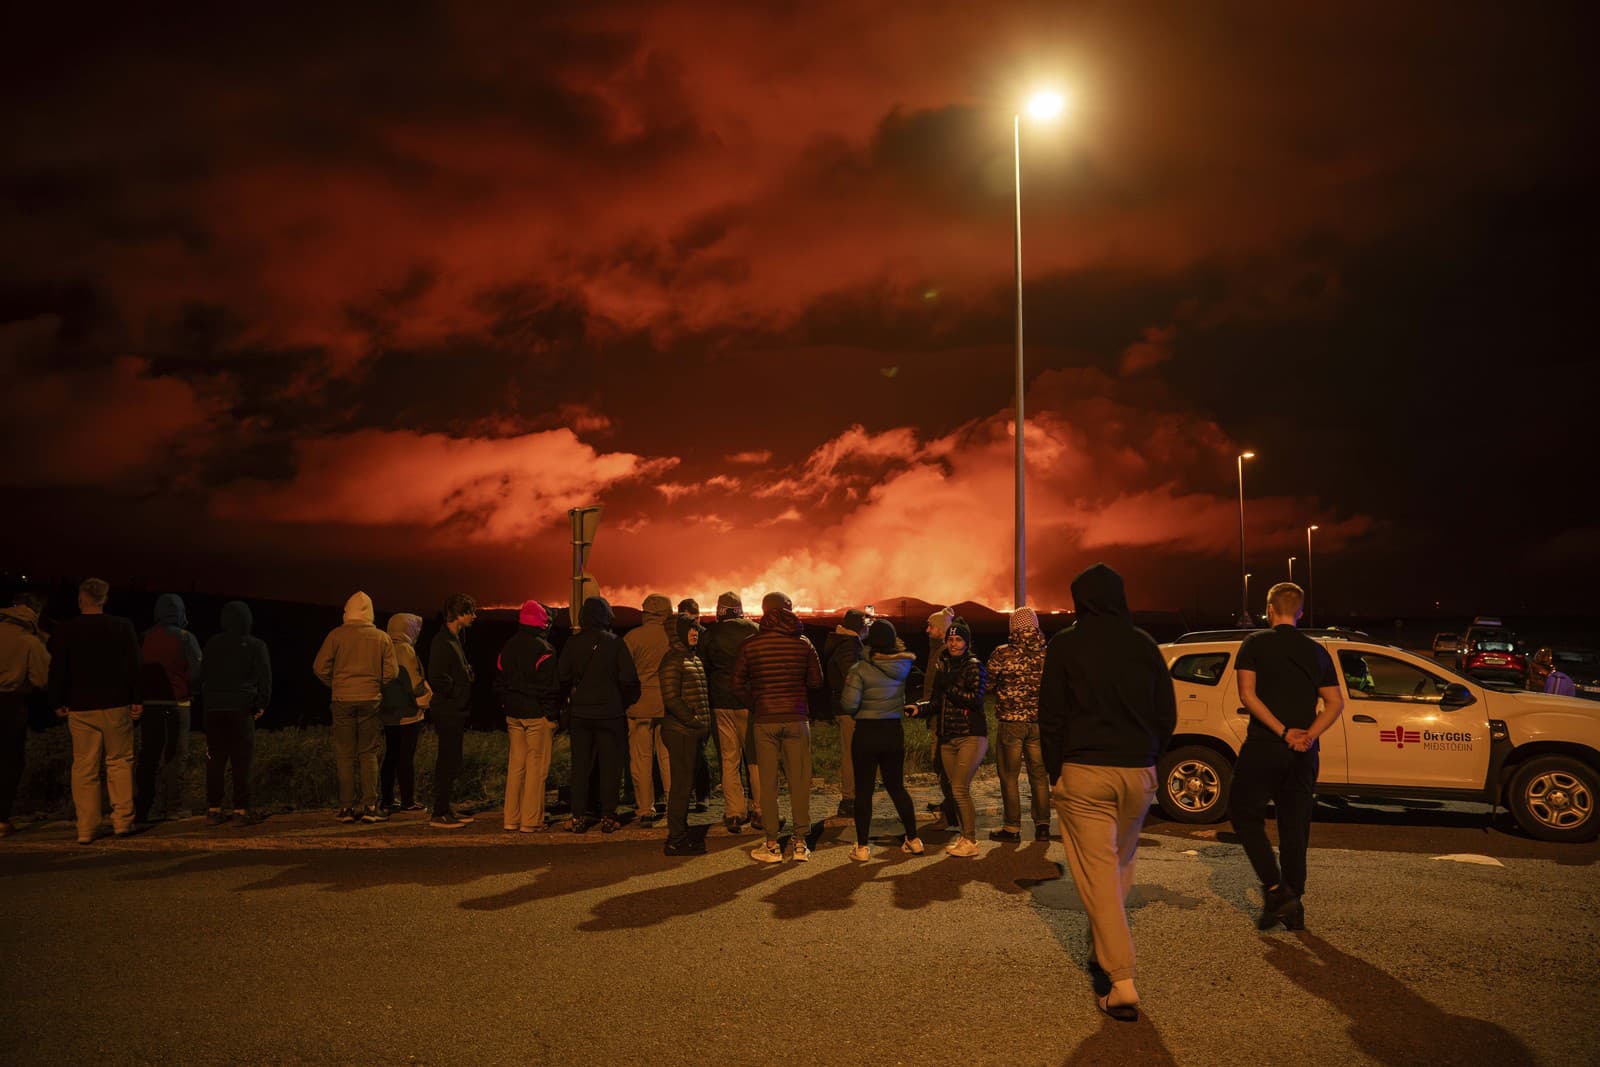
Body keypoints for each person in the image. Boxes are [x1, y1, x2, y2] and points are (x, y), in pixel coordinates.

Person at [1039, 563, 1177, 1022]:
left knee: (1098, 873)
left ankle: (1120, 978)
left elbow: (1052, 716)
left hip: (1085, 773)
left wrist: (1057, 771)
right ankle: (1105, 948)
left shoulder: (1066, 645)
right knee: (1120, 862)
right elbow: (1166, 714)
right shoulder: (1144, 645)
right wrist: (1150, 757)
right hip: (1137, 773)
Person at [1229, 581, 1345, 933]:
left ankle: (1277, 889)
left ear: (1268, 609)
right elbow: (1336, 702)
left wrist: (1282, 731)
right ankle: (1292, 902)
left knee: (1242, 813)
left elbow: (1248, 695)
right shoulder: (1316, 651)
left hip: (1264, 747)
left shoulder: (1254, 644)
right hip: (1304, 754)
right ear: (1300, 612)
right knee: (1295, 828)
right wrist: (1308, 734)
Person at [48, 578, 141, 844]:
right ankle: (123, 821)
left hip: (80, 706)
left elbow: (59, 668)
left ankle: (86, 828)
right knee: (120, 761)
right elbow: (134, 664)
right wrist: (137, 698)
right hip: (116, 703)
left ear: (81, 599)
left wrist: (57, 700)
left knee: (84, 767)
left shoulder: (67, 630)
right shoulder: (123, 626)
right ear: (104, 599)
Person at [734, 591, 823, 863]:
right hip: (797, 719)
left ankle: (771, 844)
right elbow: (816, 681)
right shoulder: (803, 643)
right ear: (788, 609)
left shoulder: (750, 645)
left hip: (765, 722)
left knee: (768, 786)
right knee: (799, 783)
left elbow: (736, 685)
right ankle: (799, 844)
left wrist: (757, 701)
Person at [838, 619, 923, 859]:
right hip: (893, 731)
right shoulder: (902, 667)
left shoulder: (859, 669)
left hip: (866, 732)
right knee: (896, 787)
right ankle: (914, 839)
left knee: (863, 791)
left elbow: (848, 704)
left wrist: (859, 709)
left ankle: (863, 847)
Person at [313, 591, 397, 825]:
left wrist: (337, 683)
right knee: (368, 752)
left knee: (345, 754)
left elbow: (320, 668)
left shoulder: (335, 636)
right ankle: (371, 806)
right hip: (370, 698)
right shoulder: (381, 638)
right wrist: (374, 683)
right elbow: (392, 673)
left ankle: (346, 808)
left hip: (341, 699)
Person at [560, 596, 640, 833]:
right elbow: (629, 679)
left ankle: (578, 817)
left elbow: (562, 676)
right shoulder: (615, 643)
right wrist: (619, 700)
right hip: (610, 714)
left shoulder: (572, 644)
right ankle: (608, 815)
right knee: (610, 766)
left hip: (581, 714)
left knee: (580, 766)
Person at [913, 618, 987, 857]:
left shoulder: (974, 665)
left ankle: (971, 840)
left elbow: (974, 700)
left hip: (969, 736)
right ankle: (965, 837)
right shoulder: (943, 665)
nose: (954, 644)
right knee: (954, 788)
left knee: (959, 788)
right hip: (947, 737)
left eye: (958, 640)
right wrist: (919, 708)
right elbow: (936, 702)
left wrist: (949, 684)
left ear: (967, 642)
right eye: (950, 639)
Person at [200, 600, 271, 826]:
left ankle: (213, 809)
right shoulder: (256, 645)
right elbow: (265, 679)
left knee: (215, 760)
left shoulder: (212, 643)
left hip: (214, 708)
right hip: (241, 708)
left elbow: (203, 674)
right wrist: (260, 704)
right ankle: (241, 810)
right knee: (242, 761)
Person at [496, 600, 562, 833]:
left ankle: (510, 818)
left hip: (513, 714)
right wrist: (551, 716)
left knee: (516, 766)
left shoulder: (508, 646)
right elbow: (550, 688)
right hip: (536, 715)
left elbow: (501, 681)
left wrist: (506, 704)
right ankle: (531, 821)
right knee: (536, 769)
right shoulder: (544, 650)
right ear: (542, 622)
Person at [987, 607, 1051, 843]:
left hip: (1011, 723)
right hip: (1038, 723)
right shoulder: (1047, 653)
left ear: (1013, 627)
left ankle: (1012, 827)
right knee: (1039, 776)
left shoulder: (1002, 653)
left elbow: (988, 684)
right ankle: (1043, 825)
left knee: (1009, 776)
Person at [136, 593, 202, 824]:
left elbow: (137, 669)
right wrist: (191, 690)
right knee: (175, 756)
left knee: (149, 756)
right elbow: (196, 672)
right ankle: (173, 807)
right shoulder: (186, 637)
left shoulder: (144, 636)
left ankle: (143, 808)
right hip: (178, 703)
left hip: (150, 704)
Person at [702, 591, 760, 834]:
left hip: (721, 702)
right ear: (739, 608)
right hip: (748, 701)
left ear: (719, 610)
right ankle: (761, 809)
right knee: (755, 757)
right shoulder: (755, 630)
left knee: (729, 757)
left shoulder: (710, 634)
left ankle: (734, 812)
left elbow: (703, 666)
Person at [659, 613, 712, 855]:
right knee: (681, 786)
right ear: (678, 632)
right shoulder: (673, 660)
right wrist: (694, 721)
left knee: (685, 784)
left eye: (696, 628)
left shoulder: (691, 658)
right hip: (681, 732)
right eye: (690, 629)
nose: (695, 632)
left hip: (690, 732)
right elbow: (671, 699)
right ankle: (676, 839)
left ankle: (680, 833)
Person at [0, 593, 50, 837]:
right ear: (35, 611)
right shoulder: (29, 641)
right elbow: (42, 678)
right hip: (10, 702)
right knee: (10, 761)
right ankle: (1, 818)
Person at [427, 593, 478, 829]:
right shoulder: (443, 642)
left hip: (456, 710)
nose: (474, 617)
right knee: (447, 760)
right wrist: (457, 689)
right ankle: (439, 812)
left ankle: (445, 807)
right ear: (459, 614)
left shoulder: (456, 639)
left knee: (452, 759)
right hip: (448, 710)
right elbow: (436, 677)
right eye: (471, 612)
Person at [623, 594, 674, 827]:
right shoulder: (673, 637)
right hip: (667, 705)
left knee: (641, 760)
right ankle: (674, 805)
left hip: (639, 706)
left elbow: (623, 674)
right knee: (668, 758)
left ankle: (645, 808)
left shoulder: (632, 638)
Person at [379, 613, 430, 814]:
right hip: (408, 711)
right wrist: (425, 696)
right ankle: (408, 800)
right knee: (406, 757)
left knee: (390, 755)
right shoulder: (405, 650)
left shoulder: (383, 647)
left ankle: (387, 799)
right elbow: (414, 682)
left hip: (387, 710)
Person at [822, 608, 869, 819]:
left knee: (854, 751)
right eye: (865, 624)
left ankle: (852, 796)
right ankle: (849, 799)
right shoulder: (849, 645)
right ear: (858, 626)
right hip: (850, 708)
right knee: (852, 753)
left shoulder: (843, 642)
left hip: (844, 706)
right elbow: (853, 676)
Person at [921, 606, 960, 826]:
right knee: (942, 766)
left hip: (942, 719)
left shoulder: (943, 653)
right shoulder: (937, 650)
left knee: (944, 766)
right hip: (937, 716)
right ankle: (949, 807)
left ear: (940, 629)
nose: (927, 630)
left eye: (931, 626)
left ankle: (951, 814)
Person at [678, 597, 712, 812]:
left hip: (699, 700)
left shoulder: (704, 637)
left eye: (696, 619)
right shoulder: (681, 637)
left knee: (698, 752)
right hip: (689, 700)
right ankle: (694, 793)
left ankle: (701, 794)